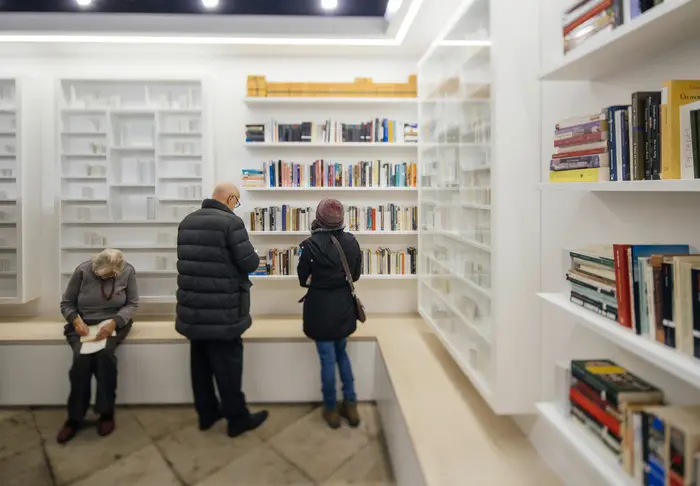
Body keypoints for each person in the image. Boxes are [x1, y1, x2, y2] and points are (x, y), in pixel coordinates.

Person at [176, 182, 268, 438]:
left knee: (200, 365)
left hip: (193, 309)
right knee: (228, 367)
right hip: (223, 311)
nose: (235, 206)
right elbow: (248, 262)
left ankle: (207, 414)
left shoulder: (187, 221)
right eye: (236, 202)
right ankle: (237, 419)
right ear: (230, 198)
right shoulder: (231, 223)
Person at [57, 249, 138, 444]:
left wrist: (114, 323)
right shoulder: (82, 271)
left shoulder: (127, 271)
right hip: (84, 325)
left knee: (105, 356)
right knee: (81, 361)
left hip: (113, 323)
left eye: (113, 274)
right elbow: (67, 304)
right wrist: (75, 320)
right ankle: (74, 418)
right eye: (107, 274)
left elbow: (132, 303)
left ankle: (106, 413)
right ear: (96, 268)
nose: (111, 277)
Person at [297, 199, 362, 429]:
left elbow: (303, 279)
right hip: (343, 307)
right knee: (342, 355)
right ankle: (352, 406)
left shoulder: (309, 245)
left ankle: (331, 410)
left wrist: (318, 279)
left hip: (319, 309)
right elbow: (355, 276)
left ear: (318, 217)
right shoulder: (352, 243)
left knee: (327, 359)